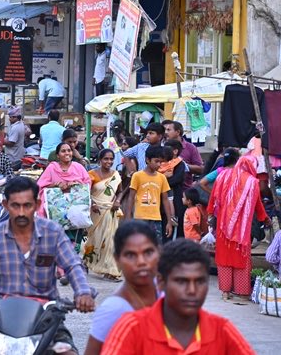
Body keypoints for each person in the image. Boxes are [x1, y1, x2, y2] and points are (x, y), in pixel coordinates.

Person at [0, 177, 95, 355]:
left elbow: (73, 266)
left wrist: (83, 292)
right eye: (15, 206)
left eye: (27, 205)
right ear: (5, 205)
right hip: (0, 310)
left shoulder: (53, 232)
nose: (21, 212)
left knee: (67, 352)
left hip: (46, 313)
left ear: (37, 205)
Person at [102, 239, 255, 354]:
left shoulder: (222, 331)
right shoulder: (131, 328)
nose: (192, 290)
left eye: (200, 281)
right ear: (161, 282)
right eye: (181, 281)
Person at [84, 220, 160, 355]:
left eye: (148, 252)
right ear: (117, 260)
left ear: (158, 253)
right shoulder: (113, 310)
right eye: (131, 255)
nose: (141, 262)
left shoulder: (168, 291)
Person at [207, 154, 269, 302]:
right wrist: (264, 218)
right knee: (241, 257)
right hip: (242, 229)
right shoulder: (252, 182)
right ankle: (241, 292)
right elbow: (257, 204)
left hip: (223, 226)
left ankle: (225, 292)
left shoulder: (222, 177)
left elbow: (213, 198)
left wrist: (210, 214)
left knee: (224, 257)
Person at [37, 142, 92, 250]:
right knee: (58, 245)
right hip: (57, 213)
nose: (67, 153)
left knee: (73, 245)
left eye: (69, 150)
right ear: (58, 155)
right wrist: (56, 186)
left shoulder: (79, 167)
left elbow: (87, 185)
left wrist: (76, 184)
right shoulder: (52, 168)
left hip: (76, 212)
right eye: (63, 151)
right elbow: (40, 186)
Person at [84, 149, 123, 280]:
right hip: (95, 211)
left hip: (110, 210)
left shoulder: (116, 174)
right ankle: (87, 261)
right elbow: (85, 193)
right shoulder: (91, 174)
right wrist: (92, 204)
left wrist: (117, 201)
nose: (109, 161)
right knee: (94, 239)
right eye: (106, 159)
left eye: (111, 159)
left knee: (110, 240)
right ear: (100, 160)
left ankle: (110, 270)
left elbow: (120, 191)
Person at [124, 145, 175, 242]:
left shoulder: (162, 178)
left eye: (161, 162)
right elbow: (131, 197)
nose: (159, 164)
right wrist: (128, 216)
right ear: (147, 160)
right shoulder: (137, 176)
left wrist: (169, 221)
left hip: (156, 218)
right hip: (139, 218)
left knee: (156, 245)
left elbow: (165, 199)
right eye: (156, 161)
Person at [160, 140, 187, 240]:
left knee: (173, 224)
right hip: (161, 201)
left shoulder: (180, 164)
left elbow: (177, 179)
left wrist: (162, 182)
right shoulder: (161, 163)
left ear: (175, 151)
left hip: (175, 198)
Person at [163, 121, 204, 186]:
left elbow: (201, 169)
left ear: (178, 132)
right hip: (164, 190)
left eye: (168, 130)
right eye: (165, 130)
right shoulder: (162, 146)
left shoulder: (191, 147)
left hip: (185, 190)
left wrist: (183, 165)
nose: (166, 132)